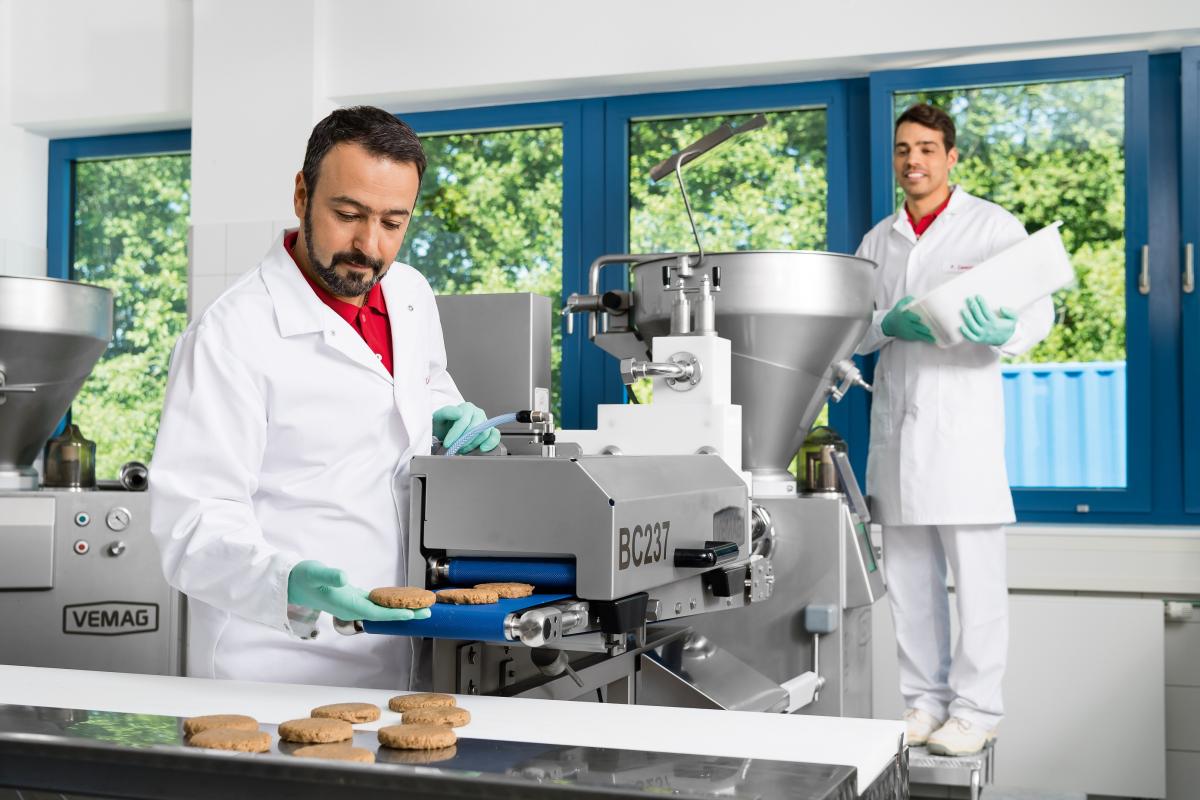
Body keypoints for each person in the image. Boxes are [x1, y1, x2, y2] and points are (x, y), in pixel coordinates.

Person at [150, 106, 501, 689]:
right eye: (348, 214)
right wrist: (290, 581)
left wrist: (445, 413)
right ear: (301, 194)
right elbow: (192, 522)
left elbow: (423, 383)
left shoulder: (410, 293)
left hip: (404, 644)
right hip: (275, 660)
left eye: (394, 221)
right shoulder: (231, 334)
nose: (369, 245)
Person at [854, 103, 1054, 756]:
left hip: (961, 439)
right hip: (897, 433)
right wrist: (888, 323)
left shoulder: (992, 226)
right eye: (904, 149)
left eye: (927, 149)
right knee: (909, 584)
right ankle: (923, 703)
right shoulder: (878, 240)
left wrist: (1010, 331)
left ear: (951, 157)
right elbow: (852, 327)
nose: (914, 161)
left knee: (977, 583)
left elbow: (1038, 307)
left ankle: (976, 710)